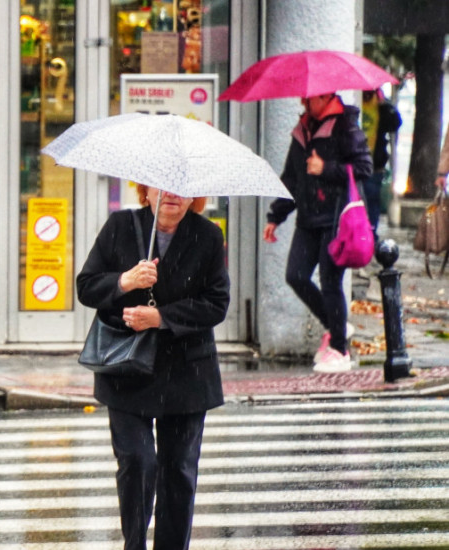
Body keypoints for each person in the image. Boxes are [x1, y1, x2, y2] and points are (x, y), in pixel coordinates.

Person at [77, 186, 229, 550]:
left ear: (195, 197)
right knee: (137, 462)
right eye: (162, 187)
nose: (171, 195)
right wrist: (125, 281)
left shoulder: (207, 235)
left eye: (182, 189)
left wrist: (160, 317)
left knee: (178, 471)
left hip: (187, 373)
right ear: (145, 191)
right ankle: (134, 544)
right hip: (127, 368)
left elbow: (217, 302)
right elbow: (85, 287)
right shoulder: (121, 226)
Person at [263, 93, 372, 373]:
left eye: (308, 98)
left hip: (337, 218)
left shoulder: (346, 127)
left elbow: (364, 168)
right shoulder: (303, 130)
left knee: (330, 282)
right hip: (308, 218)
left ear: (324, 97)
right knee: (295, 275)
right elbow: (291, 177)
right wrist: (276, 216)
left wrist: (326, 168)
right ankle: (337, 327)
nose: (303, 102)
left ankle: (339, 350)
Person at [361, 89, 402, 236]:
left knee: (372, 200)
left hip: (374, 165)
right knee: (358, 202)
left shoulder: (380, 108)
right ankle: (360, 234)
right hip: (356, 165)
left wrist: (384, 104)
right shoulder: (356, 103)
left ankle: (370, 234)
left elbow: (395, 123)